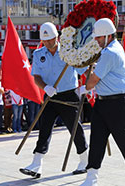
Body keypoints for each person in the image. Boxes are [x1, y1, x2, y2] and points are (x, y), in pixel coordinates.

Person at [78, 18, 125, 186]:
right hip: (104, 102)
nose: (96, 40)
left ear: (108, 36)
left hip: (116, 103)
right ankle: (91, 177)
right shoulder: (111, 49)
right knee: (97, 140)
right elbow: (97, 77)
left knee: (123, 140)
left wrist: (82, 87)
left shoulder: (110, 53)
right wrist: (82, 68)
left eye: (99, 37)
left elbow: (93, 80)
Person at [19, 22, 88, 178]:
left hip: (69, 94)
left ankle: (84, 159)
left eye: (51, 39)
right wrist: (45, 87)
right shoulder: (38, 54)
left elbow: (83, 69)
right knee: (44, 128)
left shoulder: (68, 52)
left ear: (57, 37)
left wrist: (91, 66)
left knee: (74, 128)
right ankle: (37, 164)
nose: (49, 43)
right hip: (50, 94)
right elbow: (36, 77)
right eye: (46, 41)